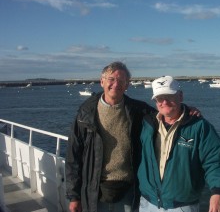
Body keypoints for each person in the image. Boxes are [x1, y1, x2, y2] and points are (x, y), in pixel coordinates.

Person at [65, 62, 200, 212]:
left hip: (129, 190)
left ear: (127, 85)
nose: (116, 84)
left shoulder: (138, 110)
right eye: (111, 79)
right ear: (102, 81)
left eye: (121, 81)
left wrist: (186, 110)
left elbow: (166, 110)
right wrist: (74, 196)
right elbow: (73, 157)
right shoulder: (85, 114)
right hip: (95, 189)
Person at [138, 76, 220, 212]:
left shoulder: (199, 127)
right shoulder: (147, 124)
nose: (164, 102)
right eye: (160, 98)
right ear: (155, 101)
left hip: (182, 206)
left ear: (180, 96)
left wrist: (219, 192)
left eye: (169, 96)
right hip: (147, 203)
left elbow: (216, 161)